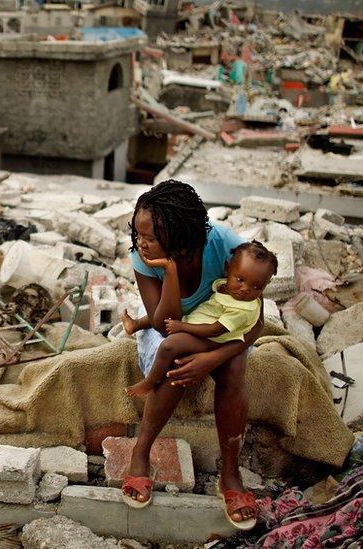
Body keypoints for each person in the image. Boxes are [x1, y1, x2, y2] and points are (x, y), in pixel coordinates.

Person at [118, 180, 263, 531]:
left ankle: (229, 473)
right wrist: (167, 269)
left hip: (221, 328)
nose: (140, 242)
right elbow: (162, 323)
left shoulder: (226, 246)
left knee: (233, 372)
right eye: (138, 234)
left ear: (180, 232)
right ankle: (141, 454)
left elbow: (256, 320)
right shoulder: (144, 257)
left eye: (149, 235)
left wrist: (213, 360)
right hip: (175, 327)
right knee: (175, 363)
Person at [123, 241, 277, 397]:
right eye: (240, 280)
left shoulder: (243, 309)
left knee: (168, 346)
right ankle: (136, 324)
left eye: (257, 287)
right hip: (202, 321)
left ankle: (150, 382)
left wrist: (182, 326)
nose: (245, 289)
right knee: (165, 314)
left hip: (214, 339)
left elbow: (215, 330)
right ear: (227, 269)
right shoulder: (226, 286)